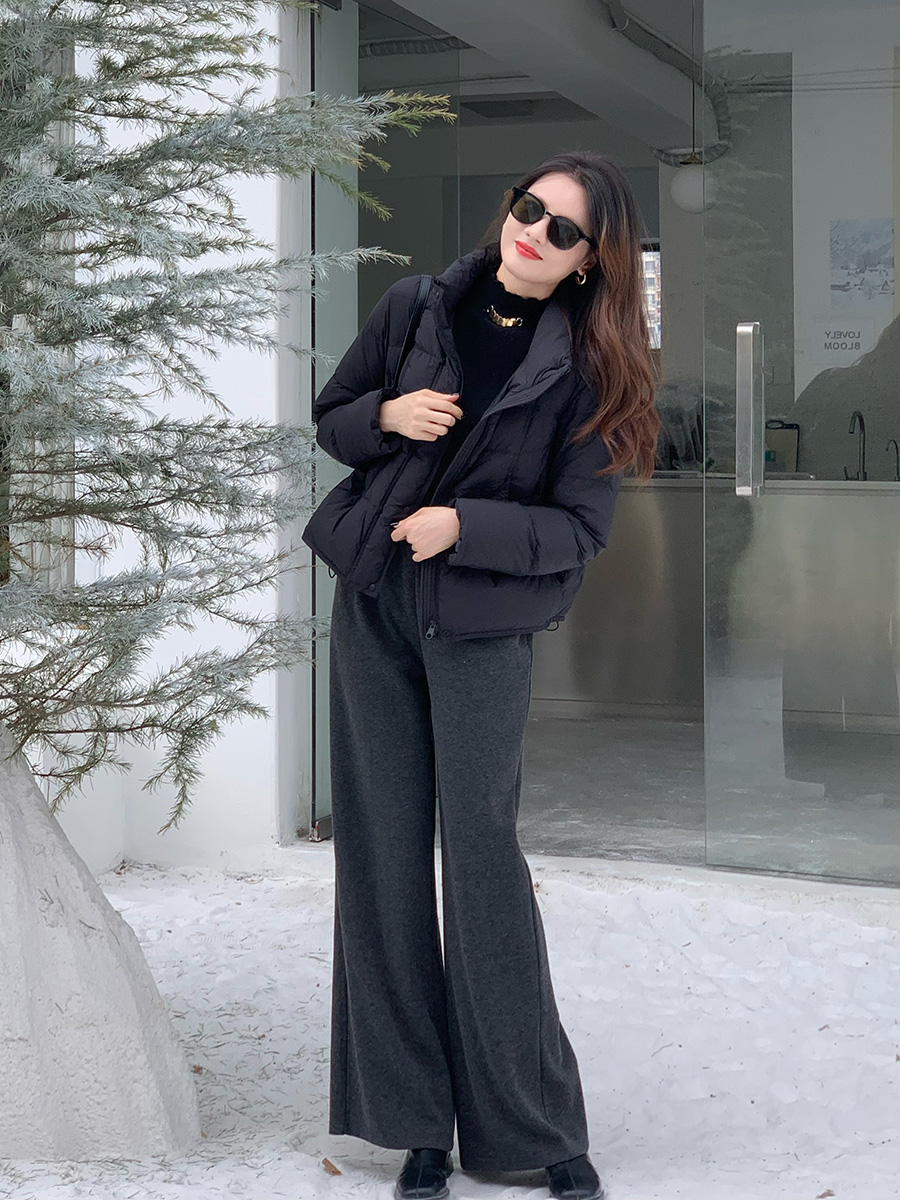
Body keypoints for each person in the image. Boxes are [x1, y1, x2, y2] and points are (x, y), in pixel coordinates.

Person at [301, 150, 659, 1200]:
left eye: (563, 230)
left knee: (485, 862)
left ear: (591, 261)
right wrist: (386, 417)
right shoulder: (417, 305)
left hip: (482, 629)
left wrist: (463, 524)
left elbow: (578, 530)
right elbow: (333, 417)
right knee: (382, 857)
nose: (533, 232)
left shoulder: (590, 369)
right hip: (376, 606)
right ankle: (414, 1125)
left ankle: (532, 1125)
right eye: (528, 208)